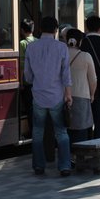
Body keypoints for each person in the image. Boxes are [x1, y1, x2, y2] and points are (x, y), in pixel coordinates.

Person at [24, 16, 72, 176]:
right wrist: (68, 94)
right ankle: (64, 166)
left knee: (37, 132)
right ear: (56, 30)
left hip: (38, 95)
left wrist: (35, 81)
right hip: (57, 96)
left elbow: (28, 76)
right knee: (61, 132)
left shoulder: (31, 47)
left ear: (39, 29)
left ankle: (39, 165)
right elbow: (66, 74)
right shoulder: (62, 48)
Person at [66, 29, 97, 144]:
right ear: (80, 41)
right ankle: (79, 156)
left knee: (65, 129)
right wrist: (92, 94)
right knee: (80, 130)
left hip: (62, 96)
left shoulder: (61, 54)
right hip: (82, 97)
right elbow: (93, 79)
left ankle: (67, 156)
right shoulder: (86, 56)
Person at [19, 19, 36, 126]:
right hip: (39, 81)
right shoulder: (38, 41)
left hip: (28, 82)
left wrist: (20, 83)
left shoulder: (23, 43)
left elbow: (22, 65)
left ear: (21, 30)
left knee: (30, 108)